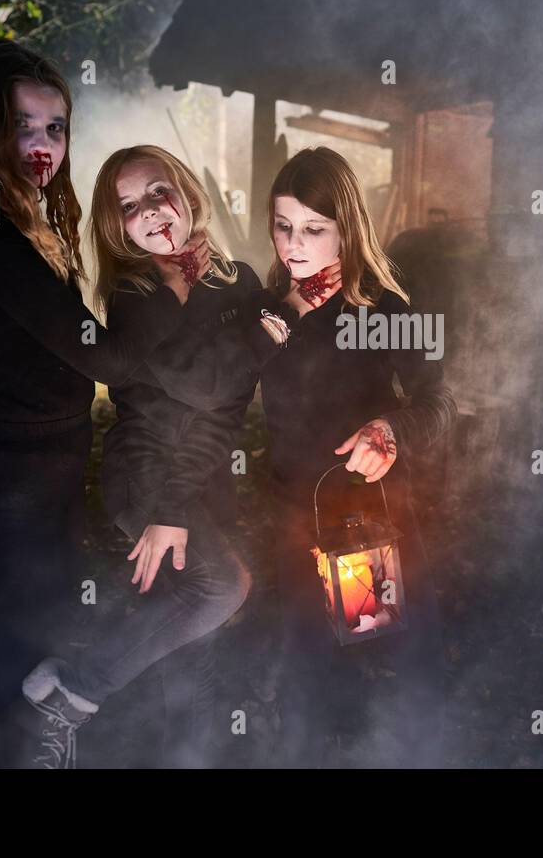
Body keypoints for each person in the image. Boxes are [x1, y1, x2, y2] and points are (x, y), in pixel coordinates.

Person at [0, 41, 210, 762]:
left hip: (46, 471)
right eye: (23, 125)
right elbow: (103, 357)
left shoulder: (21, 218)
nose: (43, 145)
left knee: (43, 657)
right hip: (6, 485)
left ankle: (4, 751)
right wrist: (174, 284)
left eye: (56, 127)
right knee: (25, 665)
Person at [143, 147, 457, 766]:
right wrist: (171, 499)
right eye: (283, 226)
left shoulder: (384, 309)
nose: (295, 244)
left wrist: (392, 429)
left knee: (403, 651)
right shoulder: (264, 311)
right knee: (308, 663)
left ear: (348, 228)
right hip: (296, 515)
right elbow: (217, 402)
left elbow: (439, 400)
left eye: (315, 229)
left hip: (373, 516)